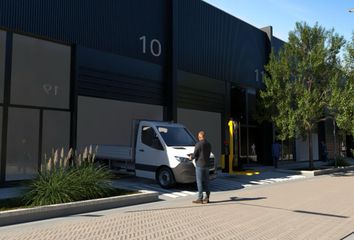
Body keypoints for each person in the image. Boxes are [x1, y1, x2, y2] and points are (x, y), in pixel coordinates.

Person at [189, 131, 212, 204]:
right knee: (207, 182)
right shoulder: (209, 144)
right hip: (207, 165)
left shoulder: (198, 144)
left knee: (199, 182)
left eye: (198, 137)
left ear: (200, 137)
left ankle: (200, 198)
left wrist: (191, 157)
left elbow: (195, 154)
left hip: (200, 165)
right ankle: (207, 198)